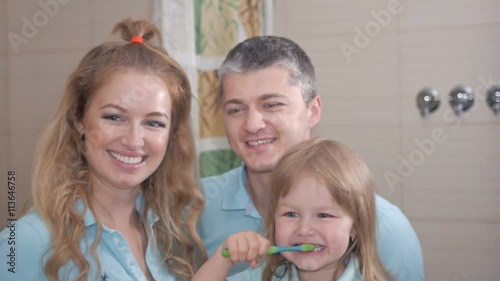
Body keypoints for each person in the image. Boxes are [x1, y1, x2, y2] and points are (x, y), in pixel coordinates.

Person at [198, 35, 424, 280]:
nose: (252, 125)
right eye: (236, 109)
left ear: (313, 111)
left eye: (272, 105)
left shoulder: (387, 228)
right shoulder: (194, 206)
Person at [0, 18, 205, 281]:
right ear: (78, 119)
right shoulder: (29, 241)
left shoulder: (171, 234)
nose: (133, 141)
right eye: (114, 117)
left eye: (153, 123)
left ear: (172, 134)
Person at [194, 137, 394, 281]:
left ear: (356, 226)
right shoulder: (264, 276)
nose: (304, 229)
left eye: (323, 215)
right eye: (291, 214)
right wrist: (224, 258)